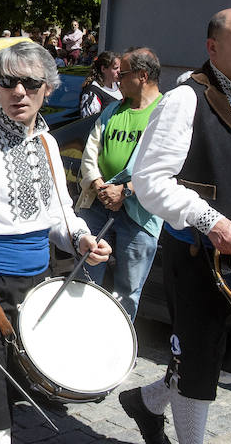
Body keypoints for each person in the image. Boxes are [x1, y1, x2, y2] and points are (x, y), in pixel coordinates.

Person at [123, 8, 231, 444]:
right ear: (212, 48)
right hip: (199, 251)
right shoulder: (186, 99)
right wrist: (211, 220)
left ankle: (147, 401)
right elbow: (148, 181)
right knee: (201, 361)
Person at [0, 41, 110, 444]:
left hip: (39, 289)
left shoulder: (47, 142)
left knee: (14, 399)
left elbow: (59, 215)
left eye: (31, 84)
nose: (19, 93)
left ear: (48, 87)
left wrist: (81, 238)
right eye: (9, 82)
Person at [76, 48, 164, 321]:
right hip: (98, 206)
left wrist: (126, 191)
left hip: (140, 213)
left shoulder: (164, 113)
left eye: (122, 73)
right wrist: (100, 185)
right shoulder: (113, 109)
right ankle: (80, 330)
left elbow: (165, 166)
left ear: (142, 75)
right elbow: (90, 152)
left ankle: (116, 348)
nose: (116, 79)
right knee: (85, 277)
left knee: (128, 289)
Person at [79, 51, 122, 118]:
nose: (119, 71)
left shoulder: (119, 85)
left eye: (120, 68)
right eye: (115, 68)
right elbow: (89, 122)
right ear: (103, 69)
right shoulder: (92, 92)